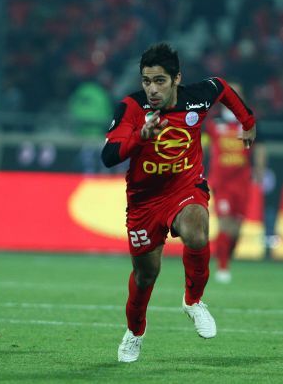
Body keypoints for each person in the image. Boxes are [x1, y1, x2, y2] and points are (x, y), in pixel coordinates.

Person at [101, 42, 256, 363]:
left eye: (160, 81)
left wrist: (248, 120)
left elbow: (222, 87)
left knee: (197, 231)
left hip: (185, 187)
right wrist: (140, 136)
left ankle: (193, 301)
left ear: (176, 79)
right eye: (147, 81)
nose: (152, 89)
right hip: (144, 202)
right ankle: (135, 332)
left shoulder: (197, 97)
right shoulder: (131, 107)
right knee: (146, 275)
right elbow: (109, 155)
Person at [205, 82, 267, 284]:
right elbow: (200, 145)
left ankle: (226, 256)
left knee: (237, 229)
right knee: (225, 224)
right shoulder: (212, 121)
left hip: (242, 182)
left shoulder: (249, 121)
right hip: (221, 181)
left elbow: (260, 146)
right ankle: (222, 267)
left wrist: (259, 169)